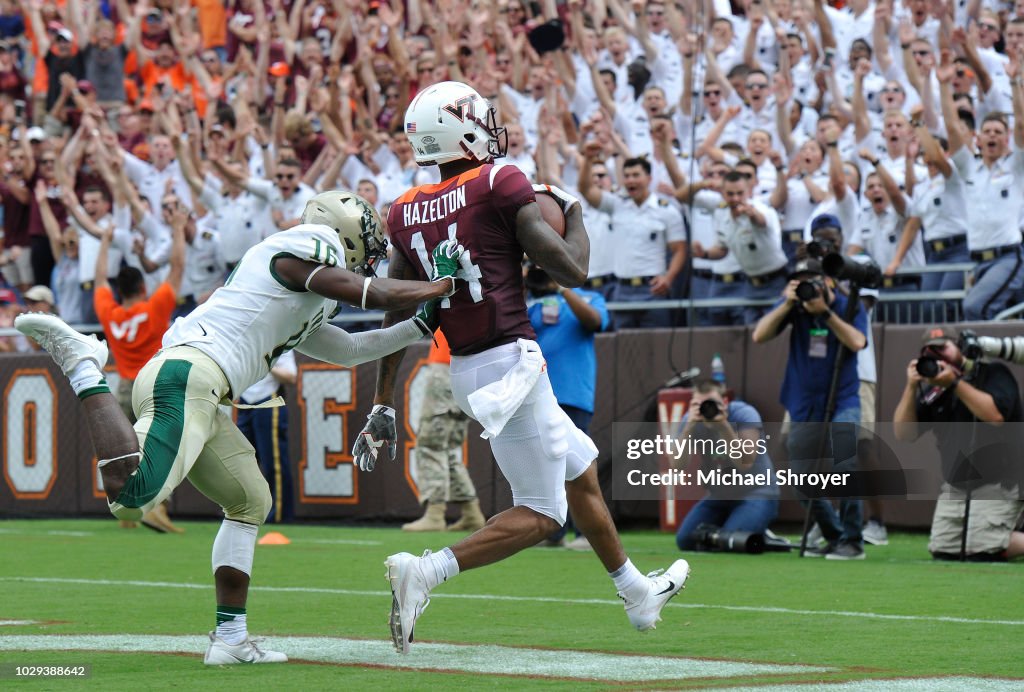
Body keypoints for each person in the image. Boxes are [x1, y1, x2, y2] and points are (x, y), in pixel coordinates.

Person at [15, 190, 462, 665]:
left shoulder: (310, 291)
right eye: (368, 239)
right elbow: (368, 293)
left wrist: (420, 326)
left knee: (250, 500)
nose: (371, 253)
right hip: (189, 376)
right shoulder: (311, 242)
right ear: (341, 226)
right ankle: (85, 368)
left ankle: (230, 637)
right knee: (130, 498)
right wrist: (438, 288)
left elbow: (350, 350)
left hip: (201, 387)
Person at [360, 81, 689, 655]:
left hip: (469, 368)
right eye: (481, 119)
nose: (490, 128)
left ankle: (637, 594)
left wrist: (384, 401)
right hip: (508, 363)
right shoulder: (497, 181)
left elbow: (397, 309)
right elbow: (573, 269)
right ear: (461, 129)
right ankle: (427, 570)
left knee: (581, 470)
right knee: (541, 514)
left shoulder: (404, 209)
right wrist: (577, 211)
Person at [752, 257, 868, 560]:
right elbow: (759, 335)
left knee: (844, 465)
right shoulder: (793, 308)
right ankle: (834, 535)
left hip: (842, 397)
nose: (806, 287)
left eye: (811, 280)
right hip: (804, 402)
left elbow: (857, 341)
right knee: (801, 478)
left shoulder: (848, 304)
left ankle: (853, 541)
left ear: (827, 280)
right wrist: (787, 304)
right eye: (799, 281)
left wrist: (825, 313)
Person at [894, 327, 1024, 561]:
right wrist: (911, 386)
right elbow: (904, 434)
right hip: (956, 487)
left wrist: (955, 384)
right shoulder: (935, 389)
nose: (937, 356)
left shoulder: (993, 374)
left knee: (982, 551)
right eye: (930, 352)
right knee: (943, 550)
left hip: (1000, 482)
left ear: (961, 348)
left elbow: (995, 417)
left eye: (942, 348)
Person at [93, 212, 185, 534]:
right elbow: (176, 270)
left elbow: (100, 279)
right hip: (153, 385)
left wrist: (104, 243)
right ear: (143, 286)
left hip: (122, 386)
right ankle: (157, 510)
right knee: (160, 448)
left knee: (123, 451)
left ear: (120, 290)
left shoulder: (110, 313)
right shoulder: (154, 308)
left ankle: (126, 513)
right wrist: (176, 230)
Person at [525, 261, 611, 551]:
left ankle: (585, 532)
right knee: (543, 465)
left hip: (573, 392)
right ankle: (553, 531)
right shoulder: (532, 303)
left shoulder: (590, 298)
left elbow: (594, 322)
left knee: (575, 464)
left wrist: (561, 287)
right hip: (538, 394)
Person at [402, 331, 487, 533]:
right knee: (448, 448)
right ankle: (471, 512)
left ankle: (435, 514)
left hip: (446, 365)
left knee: (431, 445)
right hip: (468, 371)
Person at [236, 350, 297, 524]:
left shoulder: (282, 342)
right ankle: (243, 511)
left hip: (269, 400)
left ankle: (280, 516)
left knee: (274, 463)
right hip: (246, 402)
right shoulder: (247, 342)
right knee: (242, 461)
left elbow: (291, 376)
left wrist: (266, 364)